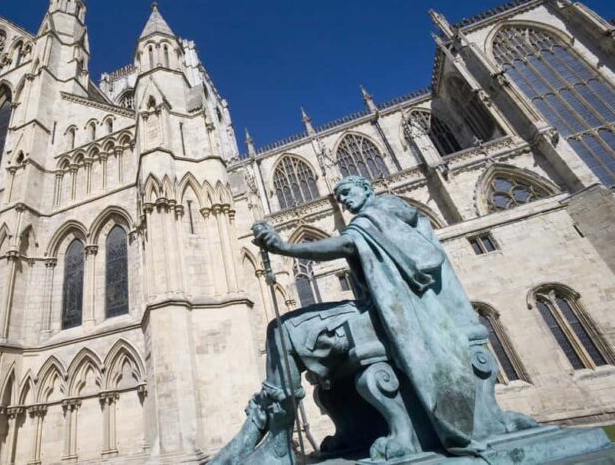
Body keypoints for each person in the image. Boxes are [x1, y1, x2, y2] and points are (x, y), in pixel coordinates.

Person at [212, 175, 531, 464]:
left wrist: (285, 247)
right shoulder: (367, 220)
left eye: (348, 193)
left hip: (410, 315)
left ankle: (277, 445)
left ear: (367, 189)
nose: (344, 200)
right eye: (339, 197)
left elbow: (348, 242)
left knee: (283, 331)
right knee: (280, 331)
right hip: (383, 310)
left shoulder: (387, 207)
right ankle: (272, 436)